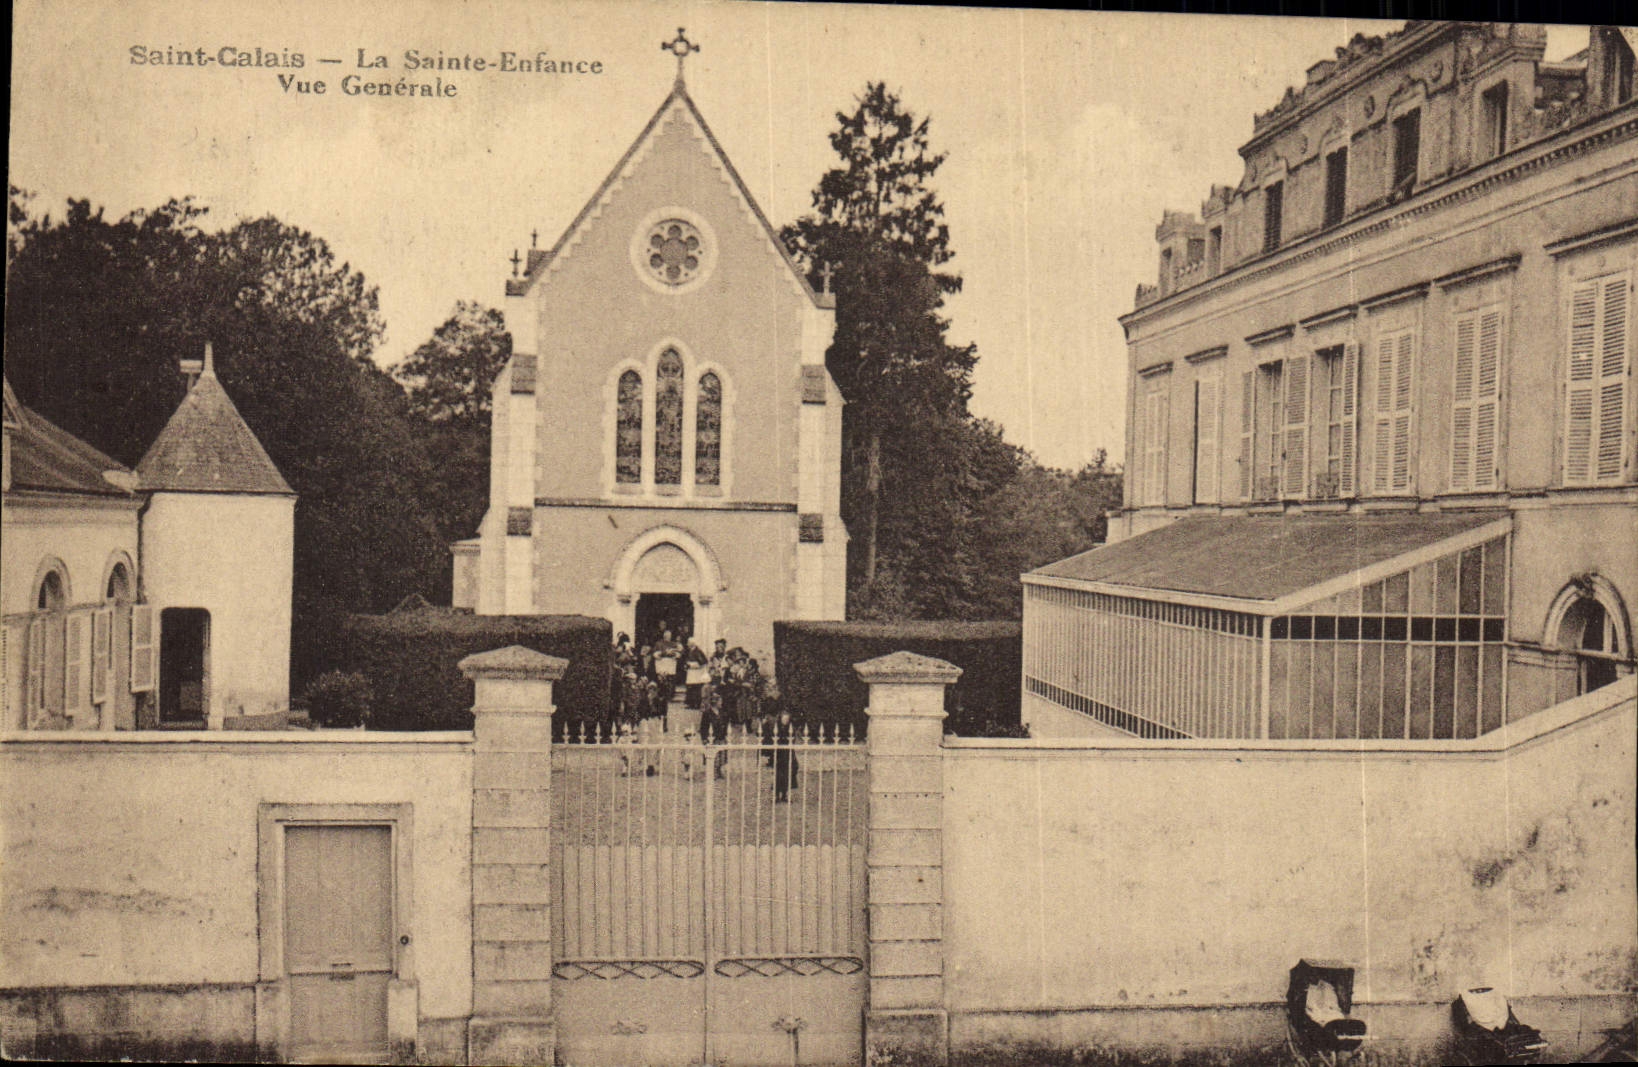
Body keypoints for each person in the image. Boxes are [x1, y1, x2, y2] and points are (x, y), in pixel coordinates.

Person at [762, 709, 800, 802]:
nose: (785, 721)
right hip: (778, 754)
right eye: (784, 719)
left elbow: (792, 740)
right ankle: (776, 795)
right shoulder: (776, 728)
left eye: (787, 719)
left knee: (788, 775)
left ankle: (784, 795)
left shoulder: (790, 729)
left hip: (787, 754)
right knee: (778, 775)